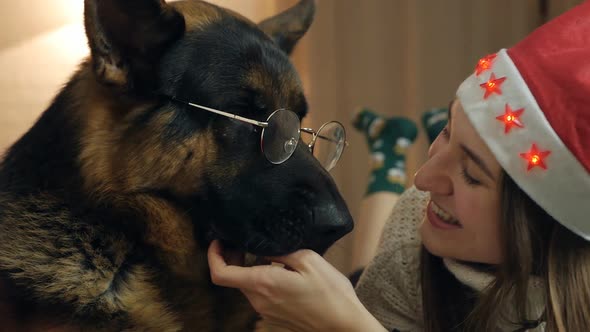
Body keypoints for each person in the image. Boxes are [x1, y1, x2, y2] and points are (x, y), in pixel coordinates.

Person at [208, 2, 590, 331]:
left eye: (472, 175)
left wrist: (343, 324)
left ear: (542, 223)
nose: (423, 180)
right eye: (446, 130)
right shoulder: (415, 224)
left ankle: (387, 151)